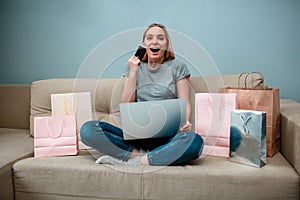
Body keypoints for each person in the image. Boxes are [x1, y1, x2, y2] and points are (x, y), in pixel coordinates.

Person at [80, 23, 203, 166]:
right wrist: (133, 71)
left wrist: (185, 123)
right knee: (88, 130)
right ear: (143, 44)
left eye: (161, 38)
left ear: (167, 44)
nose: (155, 41)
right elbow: (126, 104)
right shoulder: (133, 67)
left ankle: (136, 161)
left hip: (169, 138)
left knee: (195, 142)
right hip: (136, 139)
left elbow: (185, 101)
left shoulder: (178, 66)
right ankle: (147, 156)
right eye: (149, 38)